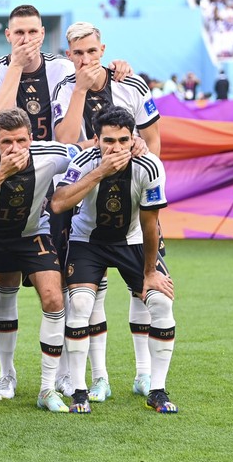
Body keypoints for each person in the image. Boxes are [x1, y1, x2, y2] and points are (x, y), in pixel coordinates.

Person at [0, 5, 131, 399]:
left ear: (43, 34)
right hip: (10, 180)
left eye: (32, 32)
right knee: (6, 280)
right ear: (8, 35)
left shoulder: (64, 69)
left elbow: (79, 114)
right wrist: (16, 66)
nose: (26, 39)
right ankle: (7, 374)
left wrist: (116, 69)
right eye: (18, 33)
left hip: (60, 182)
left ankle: (67, 372)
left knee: (65, 282)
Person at [51, 21, 159, 401]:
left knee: (145, 289)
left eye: (92, 51)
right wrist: (80, 88)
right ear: (69, 56)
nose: (86, 59)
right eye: (77, 53)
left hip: (132, 194)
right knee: (86, 294)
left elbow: (152, 134)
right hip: (82, 195)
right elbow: (64, 142)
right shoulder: (65, 88)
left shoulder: (132, 84)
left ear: (103, 49)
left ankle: (145, 374)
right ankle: (98, 377)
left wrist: (148, 170)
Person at [51, 105, 177, 414]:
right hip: (88, 241)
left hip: (132, 240)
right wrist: (100, 172)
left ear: (133, 138)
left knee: (161, 302)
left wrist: (150, 272)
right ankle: (80, 390)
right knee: (80, 305)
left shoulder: (149, 167)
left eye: (123, 140)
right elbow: (58, 203)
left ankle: (156, 390)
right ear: (96, 140)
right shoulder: (82, 162)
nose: (116, 148)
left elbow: (150, 224)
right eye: (109, 141)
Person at [0, 108, 77, 414]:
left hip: (30, 232)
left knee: (53, 297)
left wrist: (135, 145)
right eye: (6, 142)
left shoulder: (51, 154)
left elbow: (84, 154)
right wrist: (1, 173)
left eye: (21, 140)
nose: (15, 148)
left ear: (32, 139)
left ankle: (47, 389)